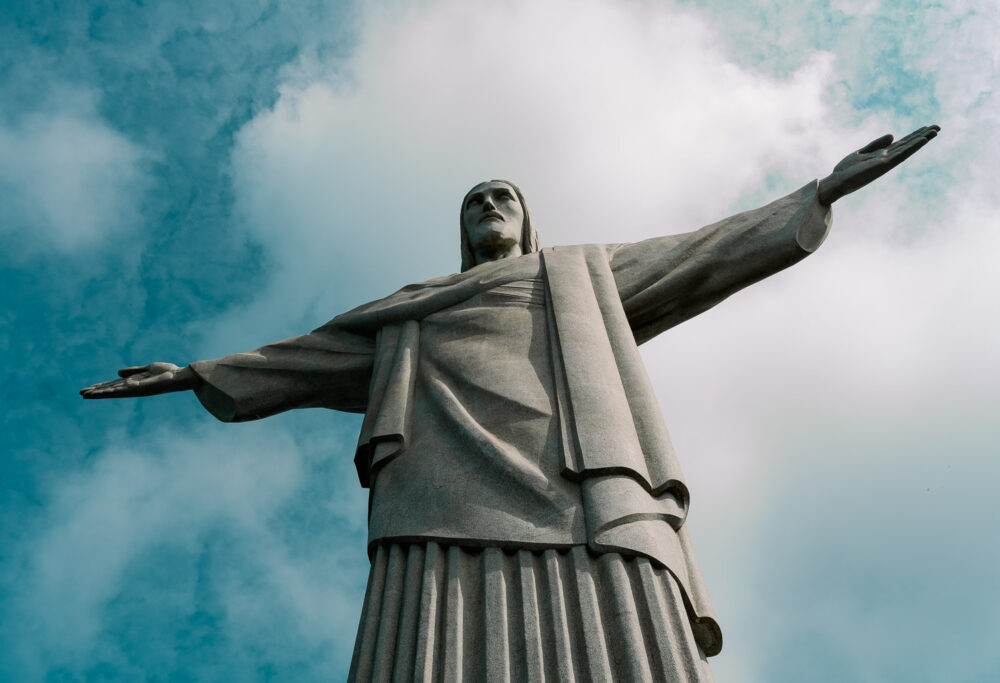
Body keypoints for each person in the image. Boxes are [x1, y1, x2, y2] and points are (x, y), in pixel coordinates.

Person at [82, 126, 939, 682]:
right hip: (436, 487)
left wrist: (817, 194)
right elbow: (300, 358)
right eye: (475, 202)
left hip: (582, 482)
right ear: (462, 231)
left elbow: (701, 253)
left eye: (504, 197)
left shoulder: (580, 277)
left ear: (527, 221)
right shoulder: (408, 310)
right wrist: (196, 372)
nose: (490, 206)